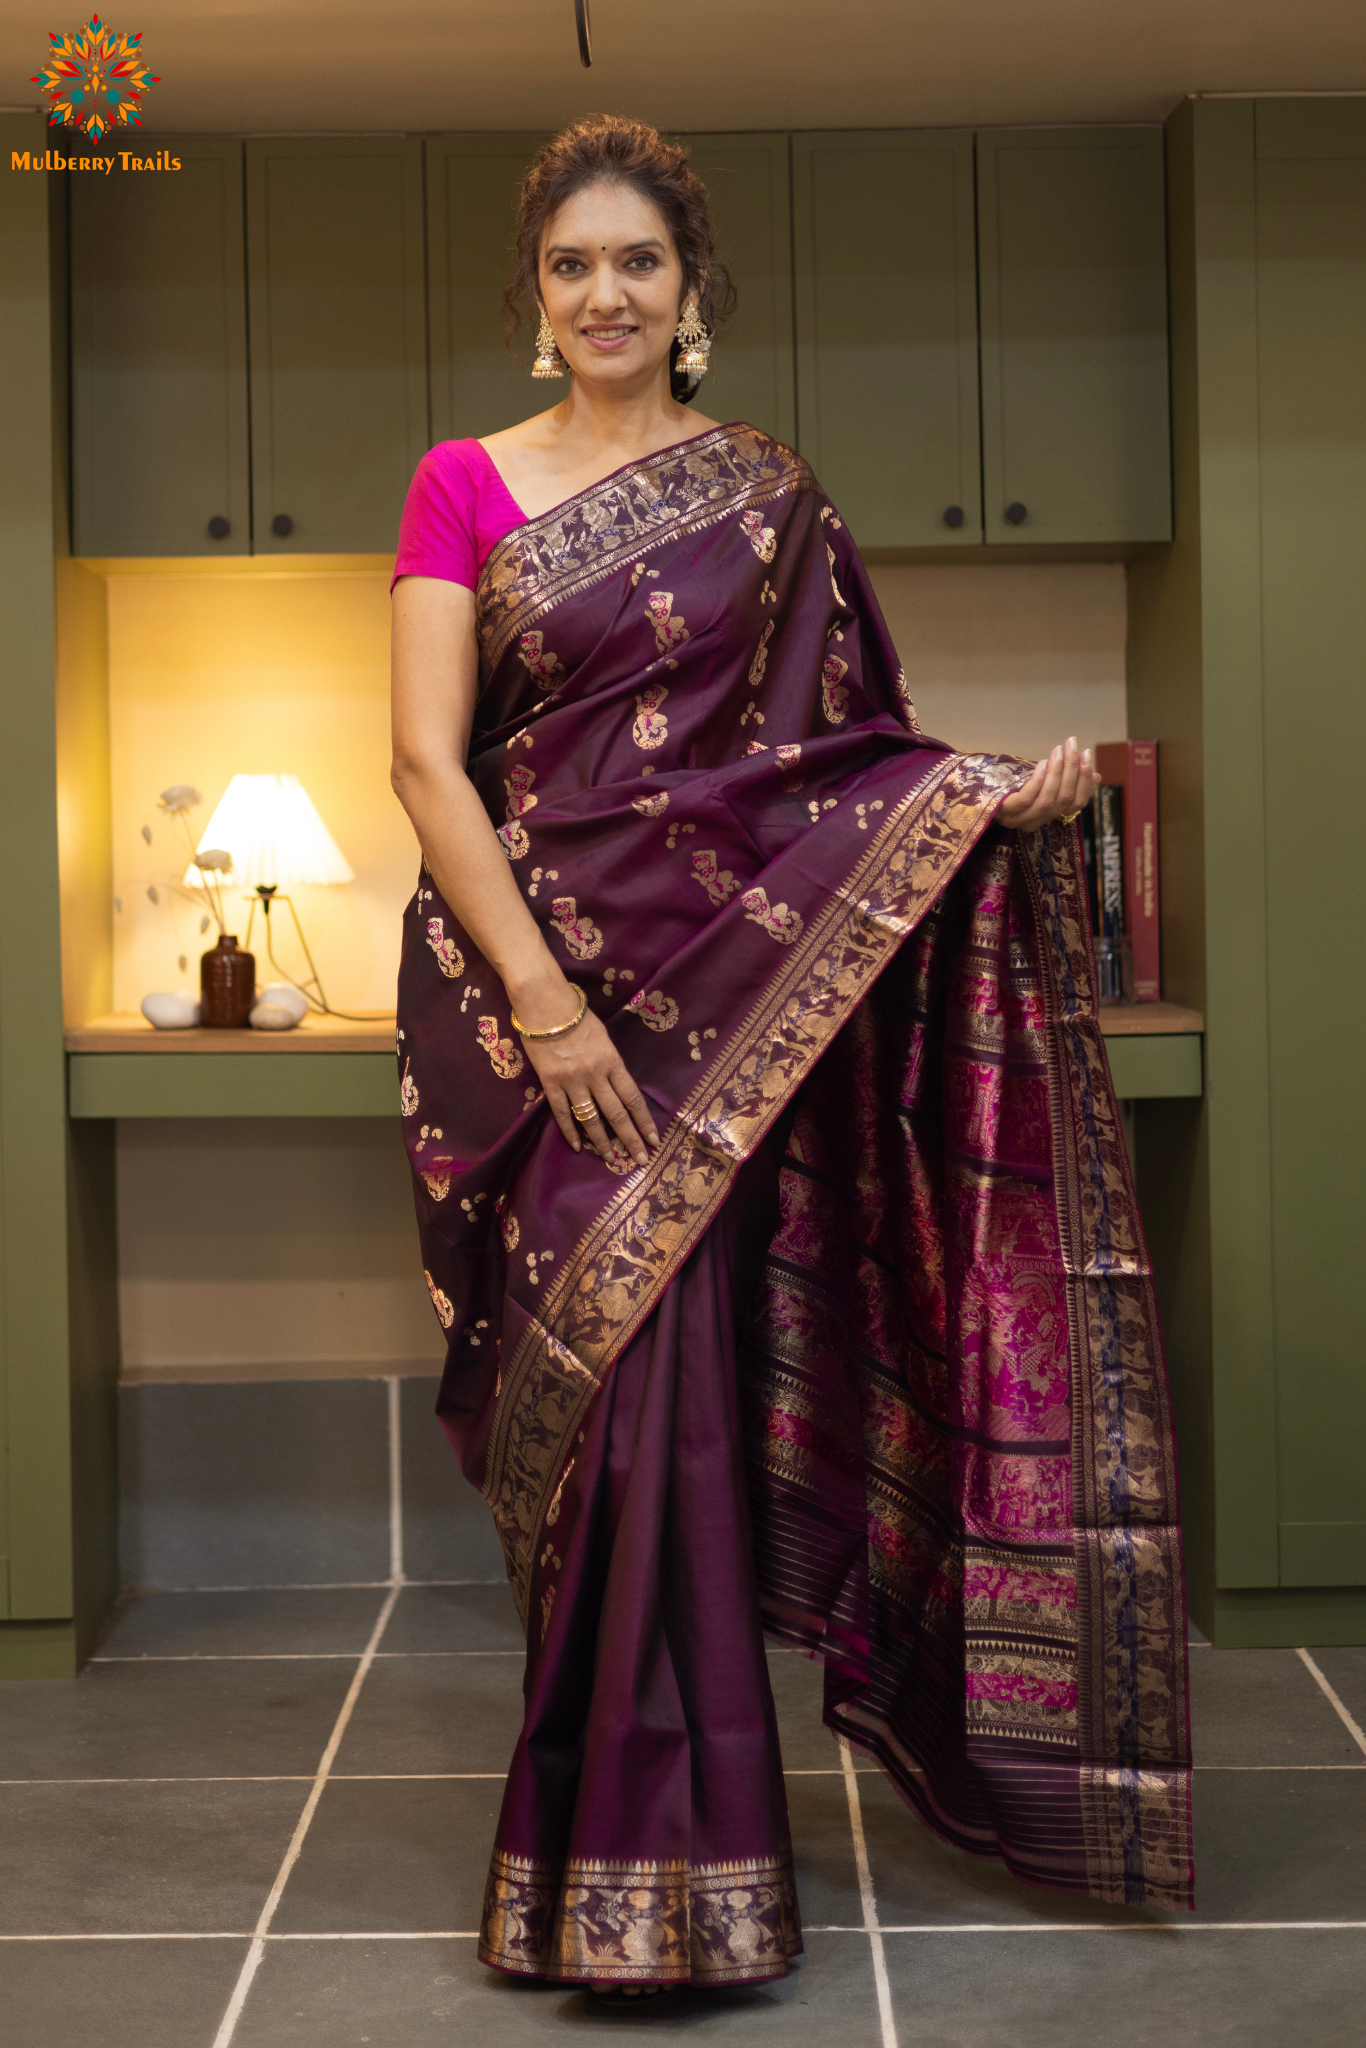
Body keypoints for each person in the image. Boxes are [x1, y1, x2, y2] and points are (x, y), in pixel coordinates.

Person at [389, 115, 1192, 2002]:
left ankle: (672, 1868)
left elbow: (828, 768)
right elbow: (430, 765)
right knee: (593, 1420)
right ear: (535, 301)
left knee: (676, 1398)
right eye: (571, 267)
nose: (602, 294)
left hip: (719, 1011)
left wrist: (997, 798)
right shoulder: (462, 484)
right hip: (541, 1009)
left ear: (692, 300)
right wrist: (546, 1003)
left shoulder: (765, 496)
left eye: (637, 266)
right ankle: (610, 1844)